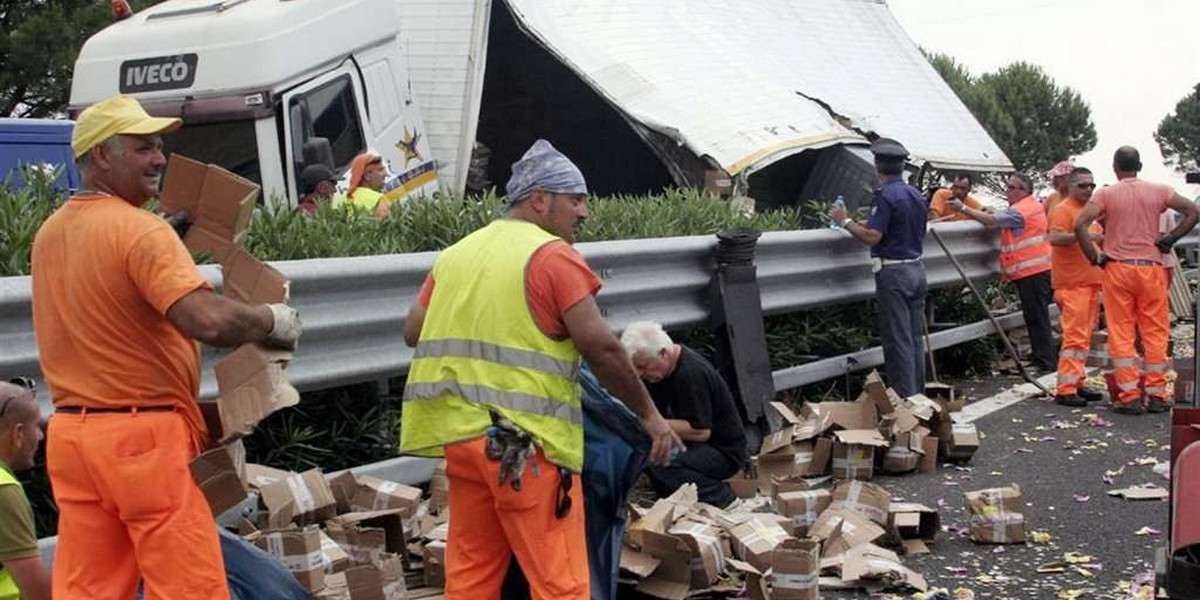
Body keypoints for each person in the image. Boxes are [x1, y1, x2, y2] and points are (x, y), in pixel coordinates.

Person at [30, 94, 303, 600]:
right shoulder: (141, 232)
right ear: (100, 157)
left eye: (158, 147)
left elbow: (109, 290)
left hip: (73, 437)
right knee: (189, 585)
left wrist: (162, 238)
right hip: (142, 441)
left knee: (90, 585)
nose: (158, 159)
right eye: (142, 148)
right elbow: (207, 320)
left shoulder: (52, 233)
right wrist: (271, 319)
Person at [399, 139, 680, 600]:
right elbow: (603, 348)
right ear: (540, 199)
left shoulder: (456, 255)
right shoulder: (551, 256)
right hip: (524, 447)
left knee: (472, 572)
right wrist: (650, 418)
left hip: (463, 440)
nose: (584, 212)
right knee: (560, 580)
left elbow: (413, 331)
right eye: (576, 200)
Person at [1074, 146, 1199, 414]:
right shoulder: (1160, 190)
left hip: (1118, 268)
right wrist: (1170, 238)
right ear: (1139, 166)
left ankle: (1129, 395)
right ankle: (1157, 394)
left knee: (1122, 331)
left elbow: (1079, 225)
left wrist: (1095, 257)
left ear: (1115, 167)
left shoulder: (1106, 193)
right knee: (1155, 331)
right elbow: (1193, 212)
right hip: (1151, 267)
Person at [829, 138, 928, 397]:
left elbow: (873, 237)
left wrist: (845, 221)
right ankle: (919, 397)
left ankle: (906, 403)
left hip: (893, 273)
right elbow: (905, 226)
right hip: (917, 269)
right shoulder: (915, 194)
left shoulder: (885, 195)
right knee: (915, 339)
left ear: (877, 166)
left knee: (898, 342)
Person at [619, 321, 748, 508]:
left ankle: (724, 499)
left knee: (662, 461)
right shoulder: (657, 373)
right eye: (635, 368)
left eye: (642, 367)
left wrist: (651, 423)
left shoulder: (690, 374)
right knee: (650, 452)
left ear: (663, 353)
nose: (639, 374)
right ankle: (676, 499)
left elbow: (701, 431)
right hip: (695, 445)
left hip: (723, 451)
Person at [950, 172, 1056, 372]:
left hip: (1032, 271)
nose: (1007, 191)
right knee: (1035, 317)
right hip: (1036, 270)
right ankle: (1042, 358)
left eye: (1011, 188)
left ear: (1023, 191)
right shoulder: (1030, 206)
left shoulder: (1019, 211)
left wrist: (963, 208)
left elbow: (991, 222)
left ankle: (1045, 361)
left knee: (1036, 317)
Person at [1046, 168, 1106, 407]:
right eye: (1083, 185)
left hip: (1088, 283)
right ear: (1070, 187)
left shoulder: (1089, 212)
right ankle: (1066, 388)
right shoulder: (1064, 210)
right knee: (1074, 337)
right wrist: (1082, 237)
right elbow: (1055, 238)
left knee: (1083, 337)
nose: (1089, 189)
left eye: (1092, 185)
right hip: (1072, 284)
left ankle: (1077, 381)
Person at [0, 380, 50, 600]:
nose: (40, 436)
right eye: (36, 426)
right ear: (18, 433)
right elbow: (37, 592)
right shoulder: (4, 488)